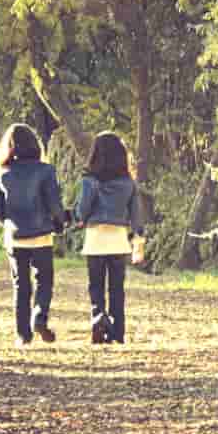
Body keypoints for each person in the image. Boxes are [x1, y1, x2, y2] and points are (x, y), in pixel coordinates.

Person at [0, 123, 67, 347]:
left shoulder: (4, 174)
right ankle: (39, 317)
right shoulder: (46, 171)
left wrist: (11, 224)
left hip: (15, 238)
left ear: (10, 147)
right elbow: (54, 205)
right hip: (41, 236)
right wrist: (60, 223)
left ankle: (23, 336)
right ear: (35, 144)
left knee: (21, 286)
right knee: (44, 281)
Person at [73, 131, 143, 344]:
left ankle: (98, 318)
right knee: (116, 289)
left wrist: (78, 218)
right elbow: (136, 216)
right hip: (118, 241)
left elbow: (82, 211)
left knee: (95, 286)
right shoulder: (128, 184)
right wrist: (138, 238)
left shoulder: (89, 181)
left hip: (95, 240)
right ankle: (118, 332)